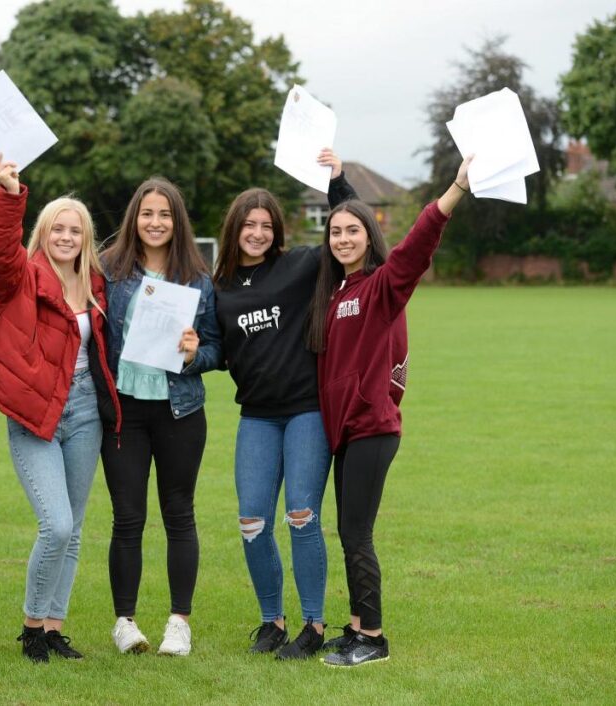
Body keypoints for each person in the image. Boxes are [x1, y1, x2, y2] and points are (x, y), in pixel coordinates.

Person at [305, 156, 473, 667]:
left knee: (357, 534)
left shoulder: (381, 287)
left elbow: (416, 249)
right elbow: (345, 217)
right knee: (347, 530)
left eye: (354, 232)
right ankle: (355, 627)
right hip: (346, 433)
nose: (342, 239)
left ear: (370, 237)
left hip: (372, 427)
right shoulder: (336, 293)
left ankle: (373, 638)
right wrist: (337, 184)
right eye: (335, 233)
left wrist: (455, 190)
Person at [213, 150, 356, 659]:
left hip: (305, 412)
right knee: (252, 521)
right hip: (256, 417)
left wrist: (337, 181)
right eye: (249, 224)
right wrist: (190, 353)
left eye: (266, 224)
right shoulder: (221, 288)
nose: (257, 232)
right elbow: (215, 349)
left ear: (276, 229)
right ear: (235, 229)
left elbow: (349, 229)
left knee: (300, 515)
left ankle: (314, 626)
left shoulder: (301, 266)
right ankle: (271, 620)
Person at [0, 154, 121, 663]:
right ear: (43, 231)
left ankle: (54, 627)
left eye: (75, 230)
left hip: (84, 411)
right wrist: (8, 194)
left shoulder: (96, 285)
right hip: (36, 414)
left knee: (75, 528)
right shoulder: (20, 275)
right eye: (57, 228)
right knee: (55, 524)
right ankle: (32, 626)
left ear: (85, 238)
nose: (65, 236)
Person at [99, 177, 223, 656]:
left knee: (179, 514)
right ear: (135, 218)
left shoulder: (197, 278)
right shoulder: (108, 271)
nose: (155, 223)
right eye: (147, 213)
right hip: (124, 413)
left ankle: (178, 621)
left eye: (165, 215)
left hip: (180, 412)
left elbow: (217, 350)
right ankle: (125, 622)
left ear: (178, 222)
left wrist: (195, 354)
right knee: (127, 519)